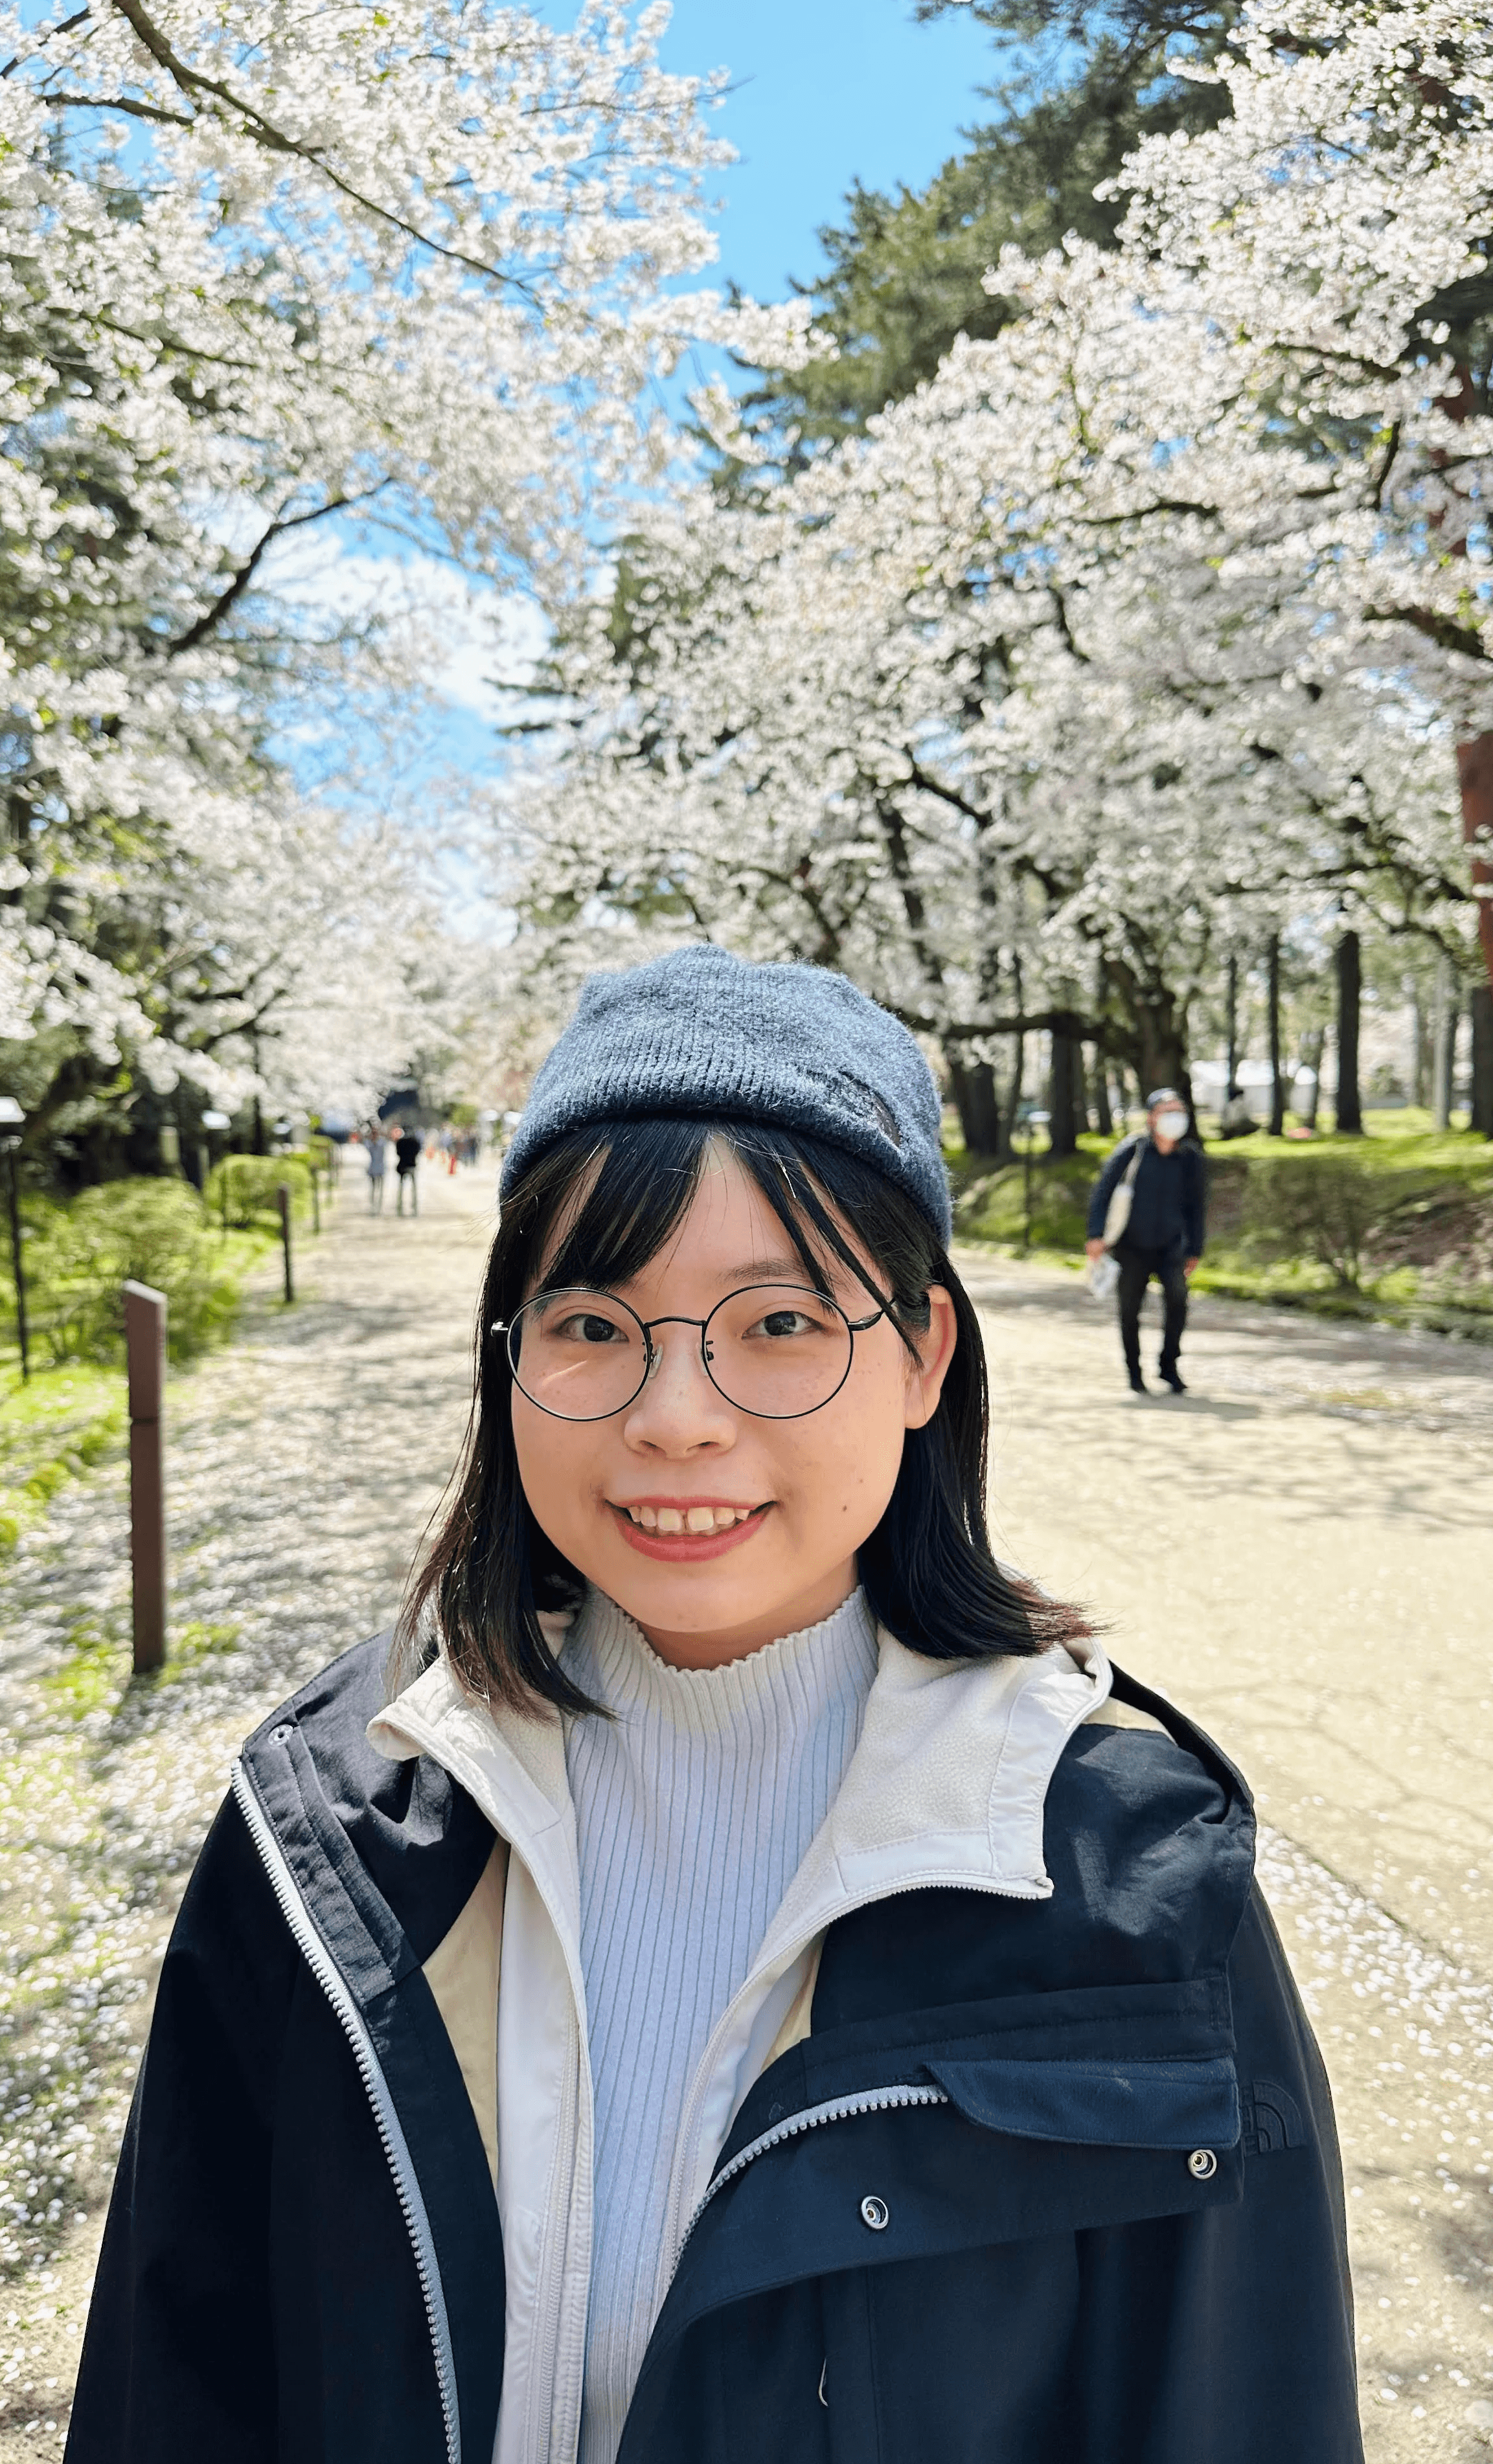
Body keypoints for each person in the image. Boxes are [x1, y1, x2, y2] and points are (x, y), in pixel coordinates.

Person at [65, 949, 1361, 2464]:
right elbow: (178, 2384)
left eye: (782, 1325)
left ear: (923, 1352)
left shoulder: (1119, 1881)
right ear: (512, 1360)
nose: (674, 1418)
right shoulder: (333, 1828)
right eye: (595, 1326)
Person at [1086, 1087, 1207, 1395]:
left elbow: (1197, 1206)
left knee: (1178, 1301)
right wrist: (1096, 1235)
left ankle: (1169, 1367)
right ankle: (1134, 1373)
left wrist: (1195, 1248)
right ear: (1152, 1118)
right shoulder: (1133, 1151)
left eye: (1179, 1111)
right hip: (1131, 1246)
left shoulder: (1190, 1158)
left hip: (1171, 1247)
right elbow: (1102, 1192)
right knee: (1129, 1310)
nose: (1175, 1118)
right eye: (1168, 1111)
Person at [396, 1121, 422, 1216]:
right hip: (411, 1165)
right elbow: (418, 1152)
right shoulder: (415, 1141)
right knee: (413, 1188)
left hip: (403, 1166)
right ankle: (414, 1207)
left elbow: (398, 1153)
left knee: (402, 1188)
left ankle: (400, 1206)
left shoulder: (400, 1142)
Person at [363, 1121, 388, 1216]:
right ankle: (373, 1206)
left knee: (381, 1189)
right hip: (373, 1168)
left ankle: (380, 1206)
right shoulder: (369, 1143)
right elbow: (368, 1148)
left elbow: (382, 1147)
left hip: (381, 1168)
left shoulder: (382, 1142)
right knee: (373, 1189)